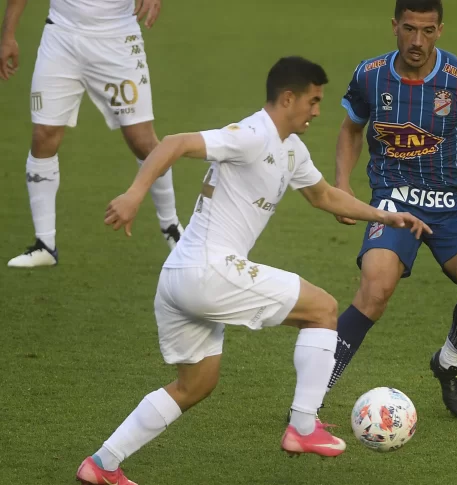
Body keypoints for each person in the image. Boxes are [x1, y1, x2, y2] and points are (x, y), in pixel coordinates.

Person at [75, 56, 431, 484]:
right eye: (313, 101)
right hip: (207, 270)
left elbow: (323, 196)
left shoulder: (292, 150)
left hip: (179, 279)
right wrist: (134, 194)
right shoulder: (251, 135)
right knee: (323, 309)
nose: (318, 111)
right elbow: (172, 142)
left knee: (195, 384)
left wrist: (386, 216)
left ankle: (102, 464)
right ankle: (303, 426)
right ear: (288, 98)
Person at [325, 0, 457, 418]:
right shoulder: (369, 76)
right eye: (408, 29)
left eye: (427, 30)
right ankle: (311, 396)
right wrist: (343, 185)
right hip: (394, 199)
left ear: (440, 30)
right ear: (394, 27)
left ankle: (448, 361)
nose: (417, 41)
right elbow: (351, 129)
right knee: (375, 289)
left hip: (449, 202)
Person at [0, 0, 183, 268]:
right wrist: (7, 35)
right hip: (60, 34)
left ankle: (173, 229)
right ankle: (45, 244)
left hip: (117, 37)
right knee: (44, 134)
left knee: (143, 141)